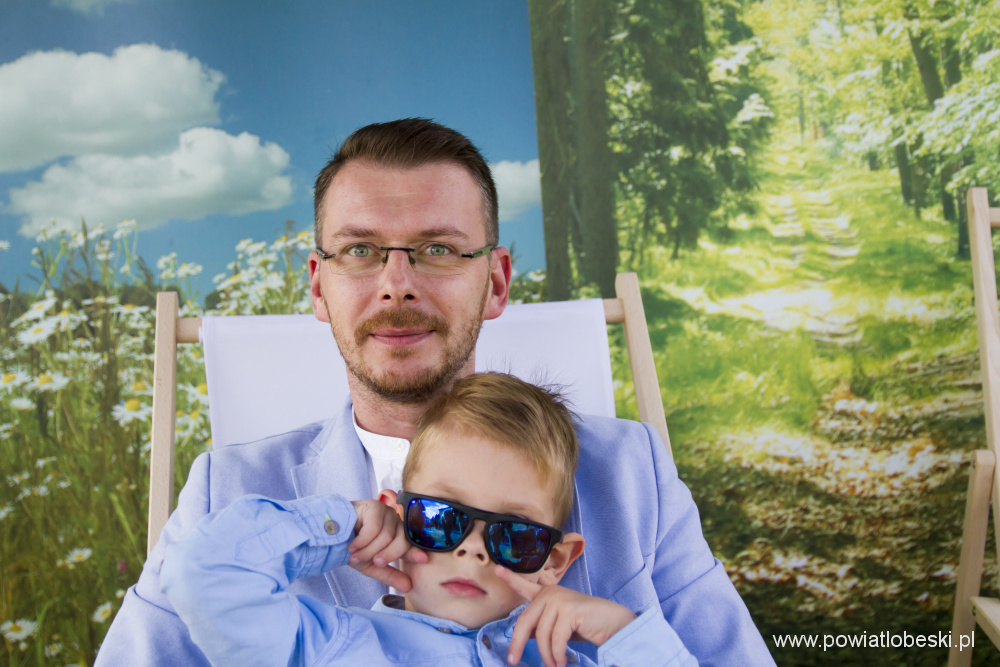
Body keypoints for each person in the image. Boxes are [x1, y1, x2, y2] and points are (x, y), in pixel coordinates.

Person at [97, 118, 773, 665]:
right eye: (360, 250)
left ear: (497, 282)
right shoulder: (228, 491)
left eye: (439, 249)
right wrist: (335, 528)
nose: (397, 285)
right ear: (318, 288)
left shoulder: (629, 472)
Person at [160, 373, 698, 666]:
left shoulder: (566, 660)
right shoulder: (329, 645)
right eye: (441, 518)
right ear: (399, 517)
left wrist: (625, 634)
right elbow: (202, 574)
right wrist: (340, 527)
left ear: (554, 561)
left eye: (514, 535)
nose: (472, 549)